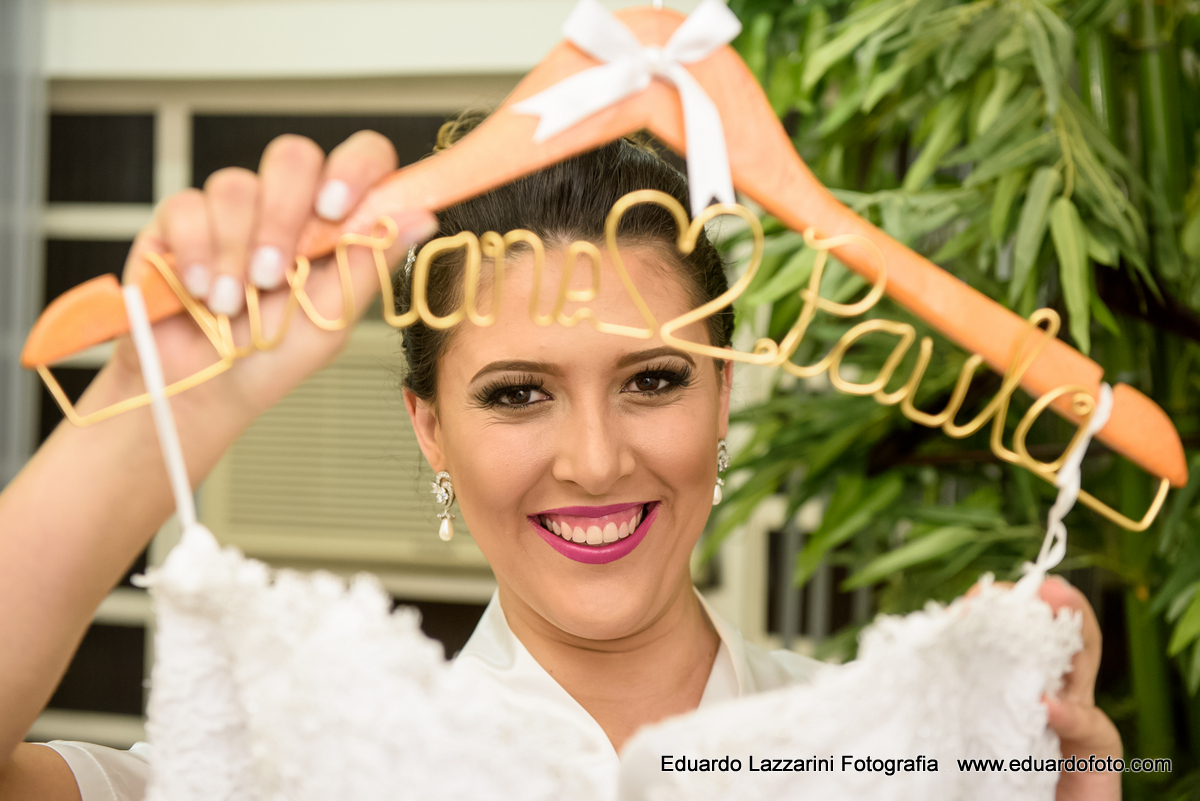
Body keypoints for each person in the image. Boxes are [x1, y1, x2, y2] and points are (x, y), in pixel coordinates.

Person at [0, 114, 1122, 801]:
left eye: (654, 380)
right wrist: (160, 410)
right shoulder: (299, 771)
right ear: (429, 427)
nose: (594, 461)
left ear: (724, 391)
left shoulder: (897, 760)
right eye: (519, 394)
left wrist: (1074, 782)